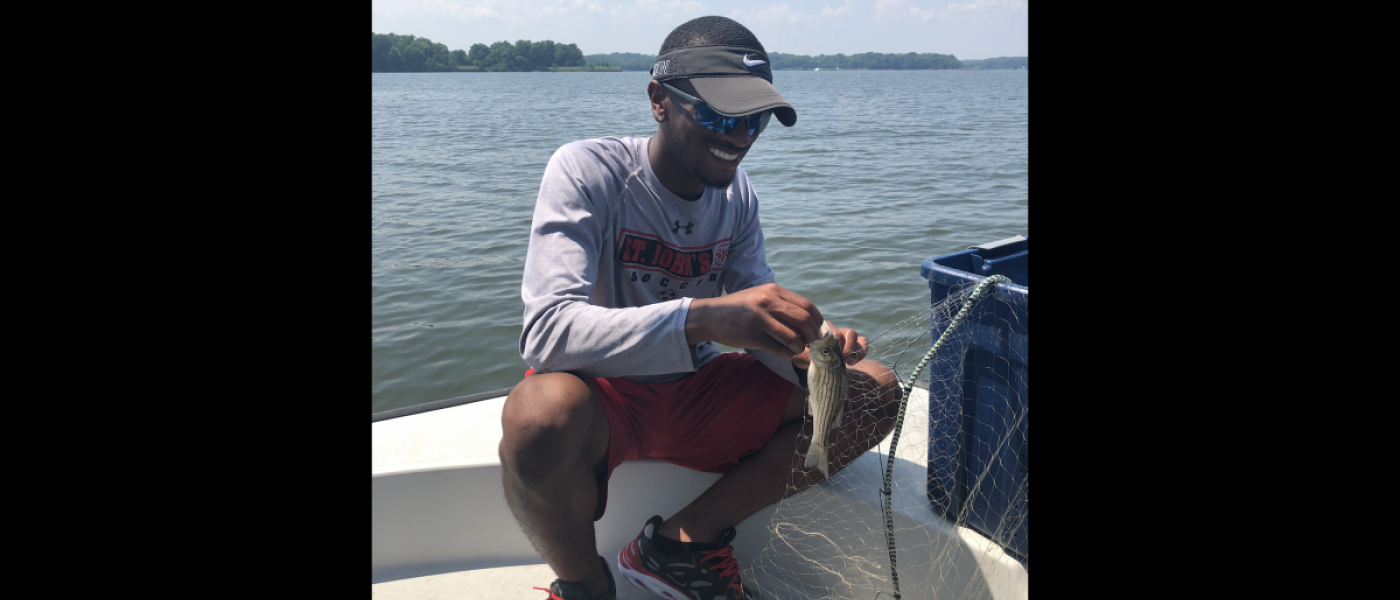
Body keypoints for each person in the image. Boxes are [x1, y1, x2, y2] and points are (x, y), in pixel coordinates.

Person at [501, 16, 900, 600]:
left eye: (755, 119)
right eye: (717, 114)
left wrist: (804, 352)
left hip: (698, 392)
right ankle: (584, 582)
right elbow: (545, 333)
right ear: (659, 100)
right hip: (604, 397)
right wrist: (702, 316)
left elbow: (755, 313)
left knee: (877, 391)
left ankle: (683, 543)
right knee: (538, 416)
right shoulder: (587, 170)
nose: (739, 136)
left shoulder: (738, 197)